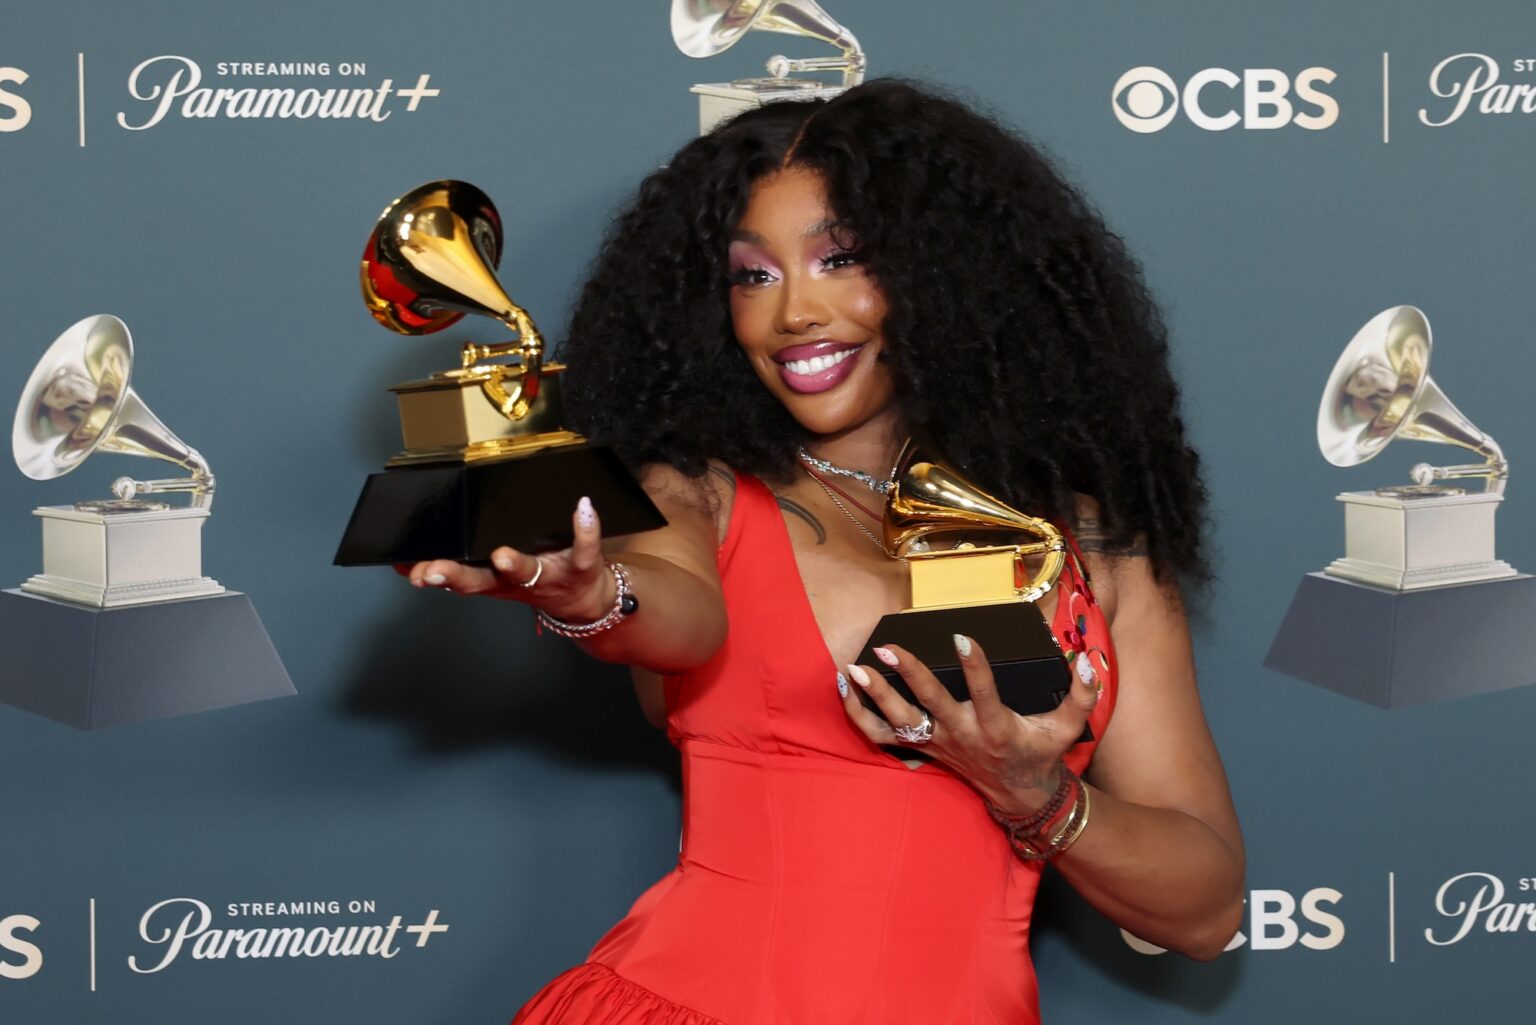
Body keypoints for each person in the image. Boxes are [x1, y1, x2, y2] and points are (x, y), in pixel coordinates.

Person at [405, 79, 1245, 1025]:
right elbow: (678, 617)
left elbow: (1206, 912)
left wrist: (1036, 792)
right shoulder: (701, 490)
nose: (793, 312)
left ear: (946, 273)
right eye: (753, 275)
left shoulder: (1092, 542)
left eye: (841, 258)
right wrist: (593, 591)